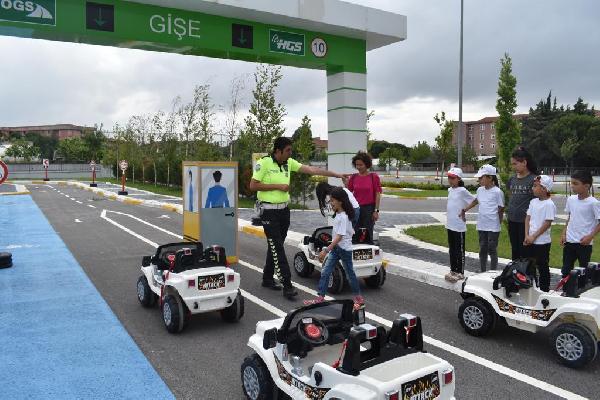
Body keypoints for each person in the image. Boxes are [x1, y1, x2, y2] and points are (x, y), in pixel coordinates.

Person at [249, 137, 346, 299]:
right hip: (268, 212)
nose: (290, 153)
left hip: (284, 211)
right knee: (277, 248)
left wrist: (336, 174)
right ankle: (287, 285)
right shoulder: (264, 163)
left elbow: (312, 170)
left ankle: (267, 278)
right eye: (288, 150)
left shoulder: (289, 163)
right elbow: (253, 185)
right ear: (278, 151)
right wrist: (278, 186)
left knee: (275, 245)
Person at [304, 187, 363, 308]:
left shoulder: (344, 217)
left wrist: (326, 250)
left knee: (350, 274)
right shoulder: (340, 215)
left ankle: (358, 298)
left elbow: (339, 237)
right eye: (330, 201)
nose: (331, 203)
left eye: (332, 201)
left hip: (343, 250)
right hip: (337, 248)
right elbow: (344, 232)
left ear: (340, 201)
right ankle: (320, 298)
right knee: (325, 271)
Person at [461, 164, 505, 272]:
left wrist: (498, 223)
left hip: (493, 226)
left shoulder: (497, 192)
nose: (479, 180)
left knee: (492, 249)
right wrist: (465, 209)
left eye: (481, 177)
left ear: (490, 178)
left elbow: (501, 208)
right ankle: (483, 271)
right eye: (479, 178)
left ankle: (493, 271)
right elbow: (476, 201)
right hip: (482, 224)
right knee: (482, 249)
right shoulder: (480, 190)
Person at [560, 170, 600, 277]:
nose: (572, 186)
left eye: (575, 183)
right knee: (566, 269)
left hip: (584, 243)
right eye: (571, 183)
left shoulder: (594, 203)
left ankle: (580, 291)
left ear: (586, 186)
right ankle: (566, 290)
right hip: (569, 241)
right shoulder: (571, 200)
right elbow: (569, 217)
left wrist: (590, 237)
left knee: (583, 271)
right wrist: (564, 233)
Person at [523, 175, 556, 292]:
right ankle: (532, 286)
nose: (533, 188)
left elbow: (547, 223)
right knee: (530, 265)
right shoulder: (533, 202)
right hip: (530, 239)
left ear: (544, 189)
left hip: (542, 242)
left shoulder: (549, 204)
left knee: (542, 266)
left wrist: (534, 236)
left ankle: (544, 289)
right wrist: (527, 235)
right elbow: (527, 218)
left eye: (535, 186)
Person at [506, 147, 538, 260]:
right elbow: (511, 196)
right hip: (512, 220)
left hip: (526, 222)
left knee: (526, 252)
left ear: (524, 162)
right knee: (515, 251)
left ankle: (528, 275)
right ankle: (516, 274)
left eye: (515, 164)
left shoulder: (534, 180)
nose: (513, 167)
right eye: (512, 164)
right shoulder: (512, 179)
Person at [444, 167, 475, 283]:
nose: (450, 180)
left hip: (459, 226)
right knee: (452, 249)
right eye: (449, 177)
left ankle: (460, 272)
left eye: (452, 178)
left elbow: (475, 200)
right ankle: (453, 270)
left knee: (459, 250)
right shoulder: (450, 190)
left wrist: (464, 210)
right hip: (450, 225)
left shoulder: (462, 191)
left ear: (459, 179)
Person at [346, 151, 382, 243]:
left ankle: (368, 253)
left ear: (367, 164)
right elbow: (348, 193)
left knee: (367, 233)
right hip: (355, 208)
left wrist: (376, 211)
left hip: (369, 209)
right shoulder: (353, 177)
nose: (358, 167)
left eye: (361, 165)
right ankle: (354, 253)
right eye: (357, 165)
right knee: (354, 232)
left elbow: (378, 194)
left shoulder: (373, 177)